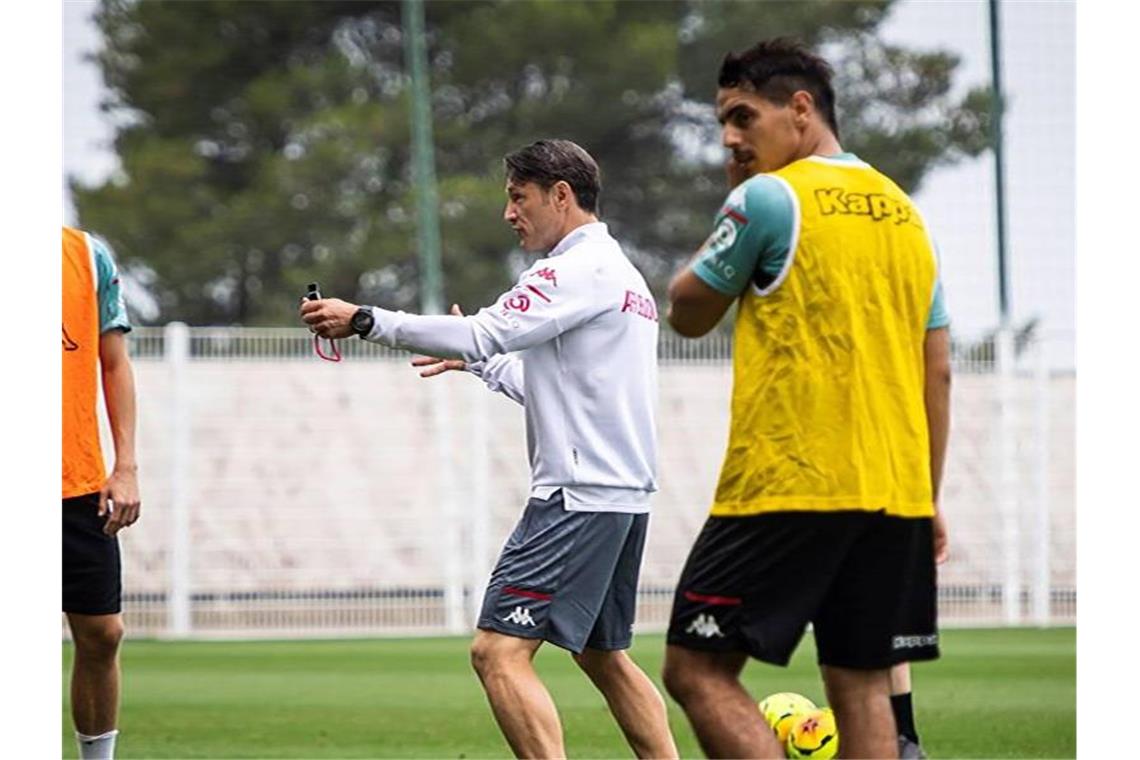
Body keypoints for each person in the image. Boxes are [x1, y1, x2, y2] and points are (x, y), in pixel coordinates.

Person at [300, 139, 678, 759]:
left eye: (517, 196)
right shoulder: (623, 275)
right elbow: (562, 388)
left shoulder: (573, 269)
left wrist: (366, 318)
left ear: (561, 195)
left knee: (497, 652)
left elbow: (483, 331)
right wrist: (479, 366)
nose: (509, 212)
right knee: (602, 655)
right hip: (622, 495)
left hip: (576, 497)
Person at [660, 39, 951, 759]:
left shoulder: (767, 197)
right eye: (723, 124)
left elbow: (686, 311)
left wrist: (734, 187)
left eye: (741, 117)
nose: (731, 138)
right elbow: (936, 370)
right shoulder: (905, 215)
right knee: (860, 684)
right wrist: (929, 496)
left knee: (697, 669)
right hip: (895, 494)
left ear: (799, 109)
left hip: (790, 485)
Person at [63, 226, 142, 760]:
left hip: (76, 484)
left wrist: (126, 466)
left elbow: (113, 364)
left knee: (102, 634)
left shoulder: (87, 256)